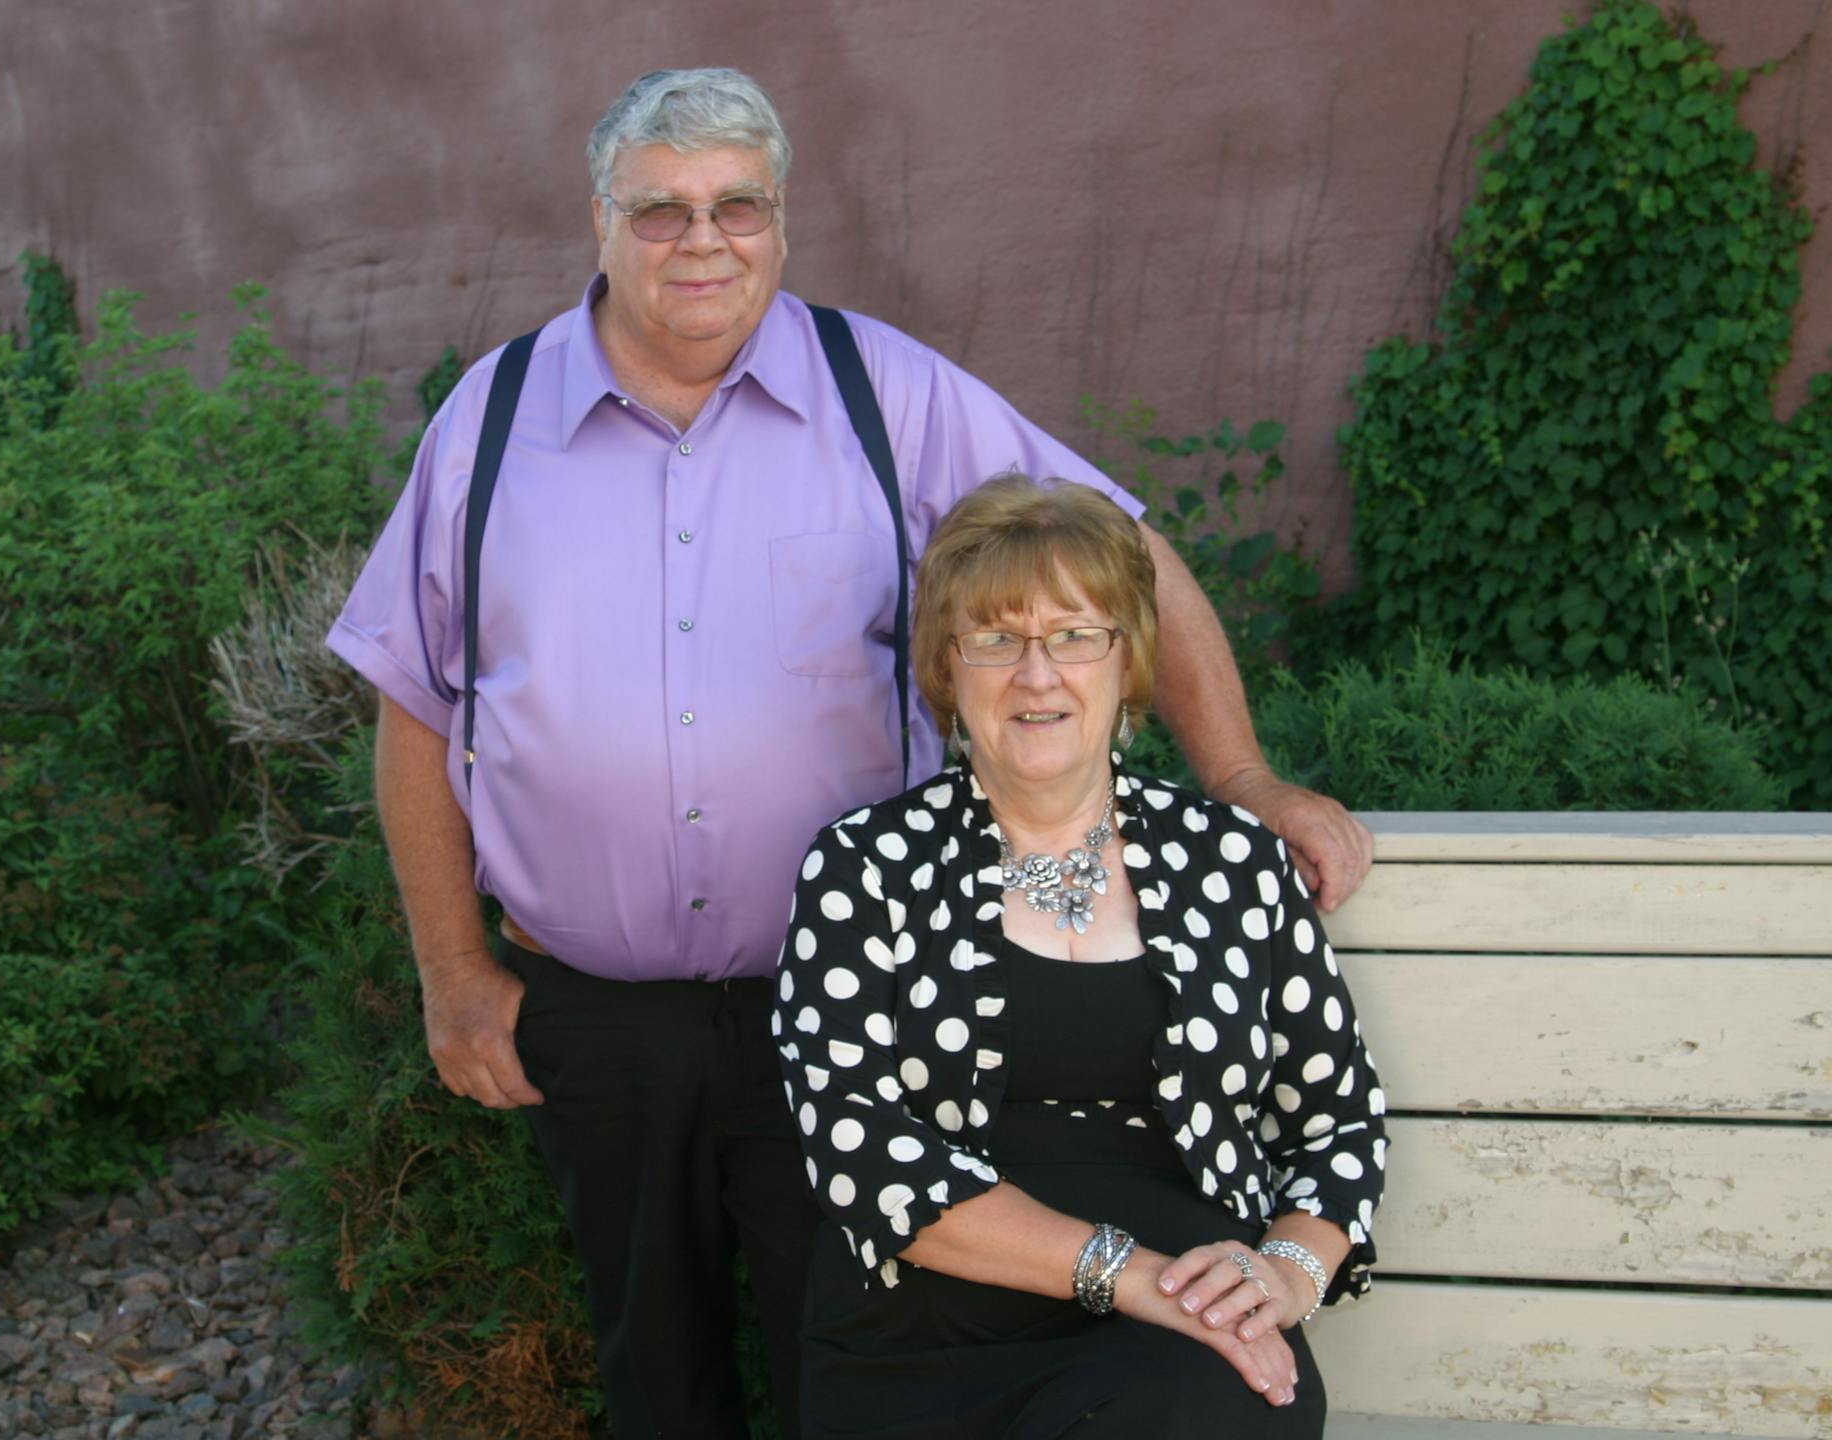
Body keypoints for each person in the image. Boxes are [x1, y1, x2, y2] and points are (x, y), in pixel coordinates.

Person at [328, 67, 1373, 1440]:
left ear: (781, 219)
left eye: (737, 205)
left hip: (851, 1004)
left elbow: (1119, 556)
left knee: (844, 1350)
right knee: (654, 1363)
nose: (702, 240)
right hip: (594, 1008)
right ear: (599, 220)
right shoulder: (490, 419)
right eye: (661, 211)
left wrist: (1238, 778)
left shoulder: (885, 393)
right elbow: (417, 702)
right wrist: (453, 970)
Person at [775, 474, 1385, 1439]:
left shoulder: (1232, 861)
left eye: (1075, 634)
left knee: (1202, 1411)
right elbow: (858, 1149)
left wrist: (1285, 1275)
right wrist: (1127, 1276)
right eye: (996, 640)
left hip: (1192, 1327)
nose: (1037, 673)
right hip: (930, 1321)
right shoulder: (866, 867)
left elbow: (1339, 1125)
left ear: (1127, 660)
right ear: (947, 664)